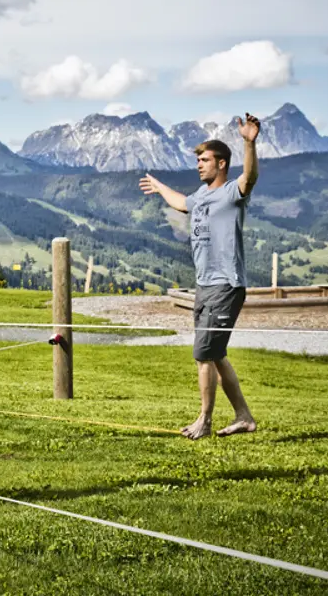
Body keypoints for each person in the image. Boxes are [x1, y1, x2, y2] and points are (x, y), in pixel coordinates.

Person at [138, 114, 261, 440]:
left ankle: (204, 421)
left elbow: (250, 176)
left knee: (204, 354)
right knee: (215, 354)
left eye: (205, 160)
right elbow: (182, 204)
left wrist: (249, 143)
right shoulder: (201, 196)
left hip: (226, 285)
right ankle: (244, 417)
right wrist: (160, 186)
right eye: (198, 160)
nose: (199, 165)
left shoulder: (233, 193)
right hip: (205, 286)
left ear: (222, 164)